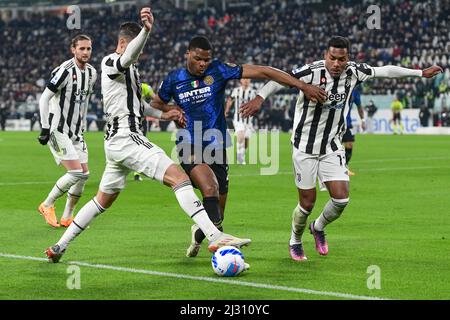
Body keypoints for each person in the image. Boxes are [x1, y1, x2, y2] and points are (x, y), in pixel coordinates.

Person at [45, 8, 251, 263]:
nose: (140, 54)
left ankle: (59, 246)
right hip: (126, 137)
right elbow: (127, 57)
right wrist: (146, 30)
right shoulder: (110, 61)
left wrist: (164, 114)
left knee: (101, 201)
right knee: (178, 177)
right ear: (123, 43)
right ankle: (214, 235)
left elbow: (135, 104)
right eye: (137, 48)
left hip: (117, 144)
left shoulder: (130, 72)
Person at [240, 36, 443, 261]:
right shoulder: (311, 71)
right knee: (306, 203)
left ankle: (317, 227)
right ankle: (295, 240)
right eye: (332, 58)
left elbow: (385, 70)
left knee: (341, 199)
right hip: (304, 146)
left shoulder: (354, 72)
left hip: (332, 144)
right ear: (326, 55)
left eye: (342, 59)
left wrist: (420, 73)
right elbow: (278, 80)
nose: (337, 64)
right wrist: (260, 97)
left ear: (348, 58)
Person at [151, 35, 326, 258]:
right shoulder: (174, 79)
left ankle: (199, 234)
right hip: (188, 142)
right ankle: (222, 245)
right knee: (210, 187)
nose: (203, 64)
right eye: (198, 59)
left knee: (217, 214)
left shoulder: (219, 70)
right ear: (187, 54)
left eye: (206, 59)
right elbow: (157, 103)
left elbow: (263, 71)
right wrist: (173, 111)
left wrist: (301, 85)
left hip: (217, 144)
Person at [37, 34, 97, 228]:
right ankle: (47, 204)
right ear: (73, 49)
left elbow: (85, 100)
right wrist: (45, 127)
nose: (86, 52)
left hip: (76, 131)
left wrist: (82, 124)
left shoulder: (91, 73)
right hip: (58, 129)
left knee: (84, 174)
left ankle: (67, 216)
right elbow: (44, 98)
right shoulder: (64, 71)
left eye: (88, 48)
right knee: (75, 172)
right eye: (82, 48)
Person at [225, 79, 257, 164]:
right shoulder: (236, 91)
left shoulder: (253, 92)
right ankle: (240, 157)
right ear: (241, 81)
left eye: (248, 79)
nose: (246, 81)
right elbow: (230, 100)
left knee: (246, 141)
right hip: (238, 119)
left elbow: (257, 104)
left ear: (250, 81)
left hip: (249, 121)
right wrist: (226, 110)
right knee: (241, 135)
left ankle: (241, 153)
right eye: (244, 79)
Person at [342, 85, 366, 176]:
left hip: (347, 123)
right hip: (333, 124)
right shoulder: (337, 87)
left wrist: (363, 120)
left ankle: (344, 167)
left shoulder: (355, 92)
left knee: (349, 144)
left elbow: (359, 107)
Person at [134, 82, 155, 181]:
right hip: (137, 121)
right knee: (141, 144)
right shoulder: (145, 87)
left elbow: (155, 99)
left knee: (138, 145)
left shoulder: (143, 87)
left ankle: (136, 171)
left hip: (134, 120)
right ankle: (138, 170)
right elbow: (156, 99)